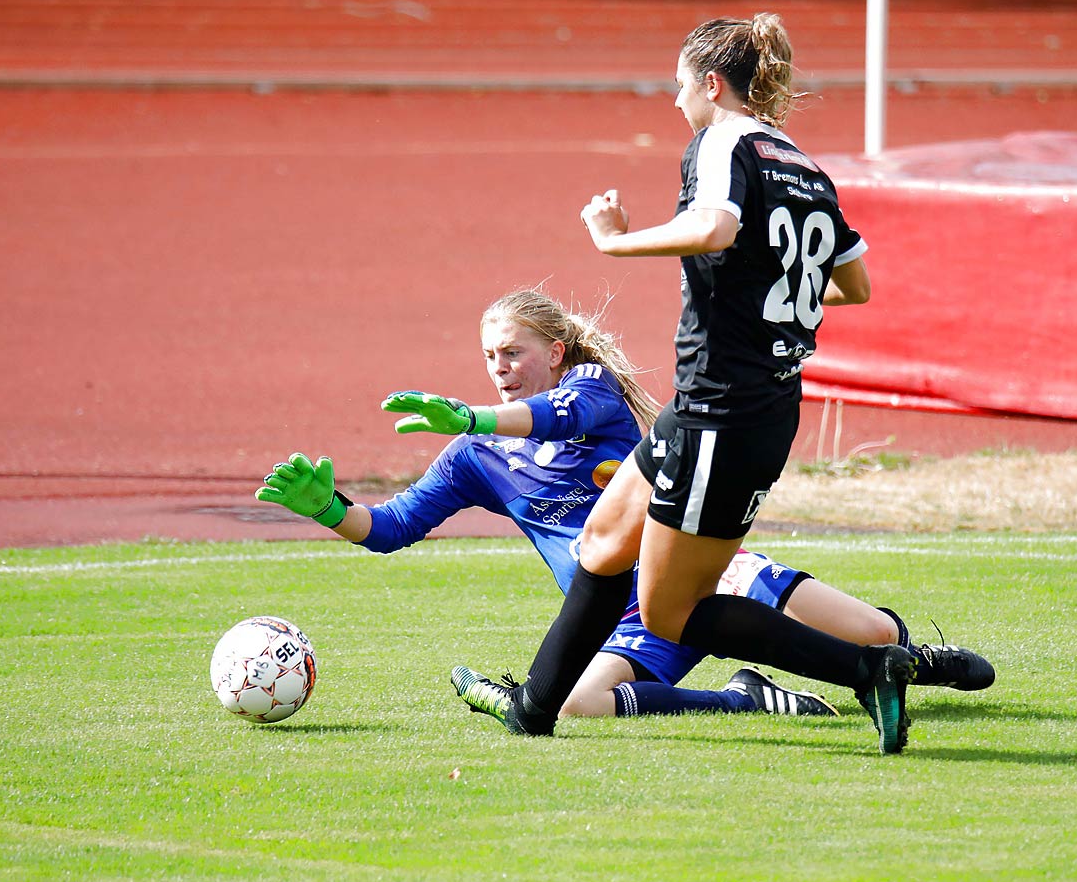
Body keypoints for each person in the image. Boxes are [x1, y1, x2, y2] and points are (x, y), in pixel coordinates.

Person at [453, 14, 925, 753]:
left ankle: (868, 669)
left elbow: (714, 228)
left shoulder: (723, 139)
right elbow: (854, 285)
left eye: (680, 86)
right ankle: (536, 707)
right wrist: (773, 296)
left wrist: (613, 241)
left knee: (671, 610)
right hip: (723, 408)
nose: (676, 102)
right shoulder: (802, 162)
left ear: (711, 84)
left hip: (725, 413)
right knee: (606, 538)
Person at [255, 288, 993, 723]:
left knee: (870, 631)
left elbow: (553, 420)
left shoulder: (592, 391)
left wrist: (474, 414)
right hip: (626, 615)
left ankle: (914, 660)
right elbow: (390, 530)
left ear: (555, 351)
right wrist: (330, 509)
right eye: (488, 356)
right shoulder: (474, 457)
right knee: (578, 703)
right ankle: (745, 699)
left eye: (512, 352)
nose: (499, 367)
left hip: (702, 572)